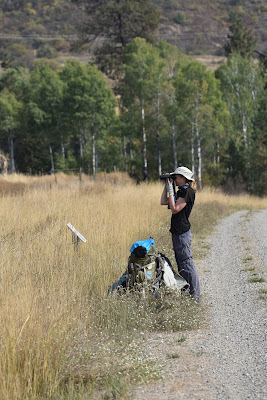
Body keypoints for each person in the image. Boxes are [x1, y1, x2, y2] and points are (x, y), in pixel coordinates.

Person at [160, 166, 200, 301]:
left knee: (187, 264)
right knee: (182, 264)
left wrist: (171, 190)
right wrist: (167, 187)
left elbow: (175, 209)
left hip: (183, 233)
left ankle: (195, 296)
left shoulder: (187, 192)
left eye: (176, 177)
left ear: (184, 178)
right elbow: (164, 202)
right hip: (178, 232)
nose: (174, 179)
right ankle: (189, 294)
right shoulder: (181, 191)